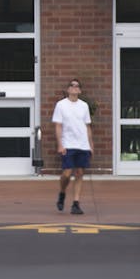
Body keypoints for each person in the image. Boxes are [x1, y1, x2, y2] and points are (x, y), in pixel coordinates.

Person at [52, 78, 92, 214]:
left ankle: (76, 203)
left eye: (77, 86)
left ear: (80, 90)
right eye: (72, 85)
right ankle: (62, 193)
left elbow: (87, 126)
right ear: (68, 89)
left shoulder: (84, 106)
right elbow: (58, 125)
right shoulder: (61, 105)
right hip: (68, 143)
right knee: (67, 173)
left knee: (80, 173)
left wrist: (90, 145)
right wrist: (60, 144)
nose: (74, 88)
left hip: (82, 144)